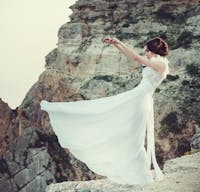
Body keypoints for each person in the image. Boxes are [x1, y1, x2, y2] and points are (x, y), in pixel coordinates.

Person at [40, 37, 169, 185]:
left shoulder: (160, 64)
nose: (145, 52)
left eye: (147, 50)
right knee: (114, 119)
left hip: (140, 101)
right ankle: (137, 175)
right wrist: (116, 44)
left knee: (134, 137)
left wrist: (120, 42)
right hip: (136, 98)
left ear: (153, 50)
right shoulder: (156, 63)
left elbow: (135, 58)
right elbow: (133, 58)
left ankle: (140, 176)